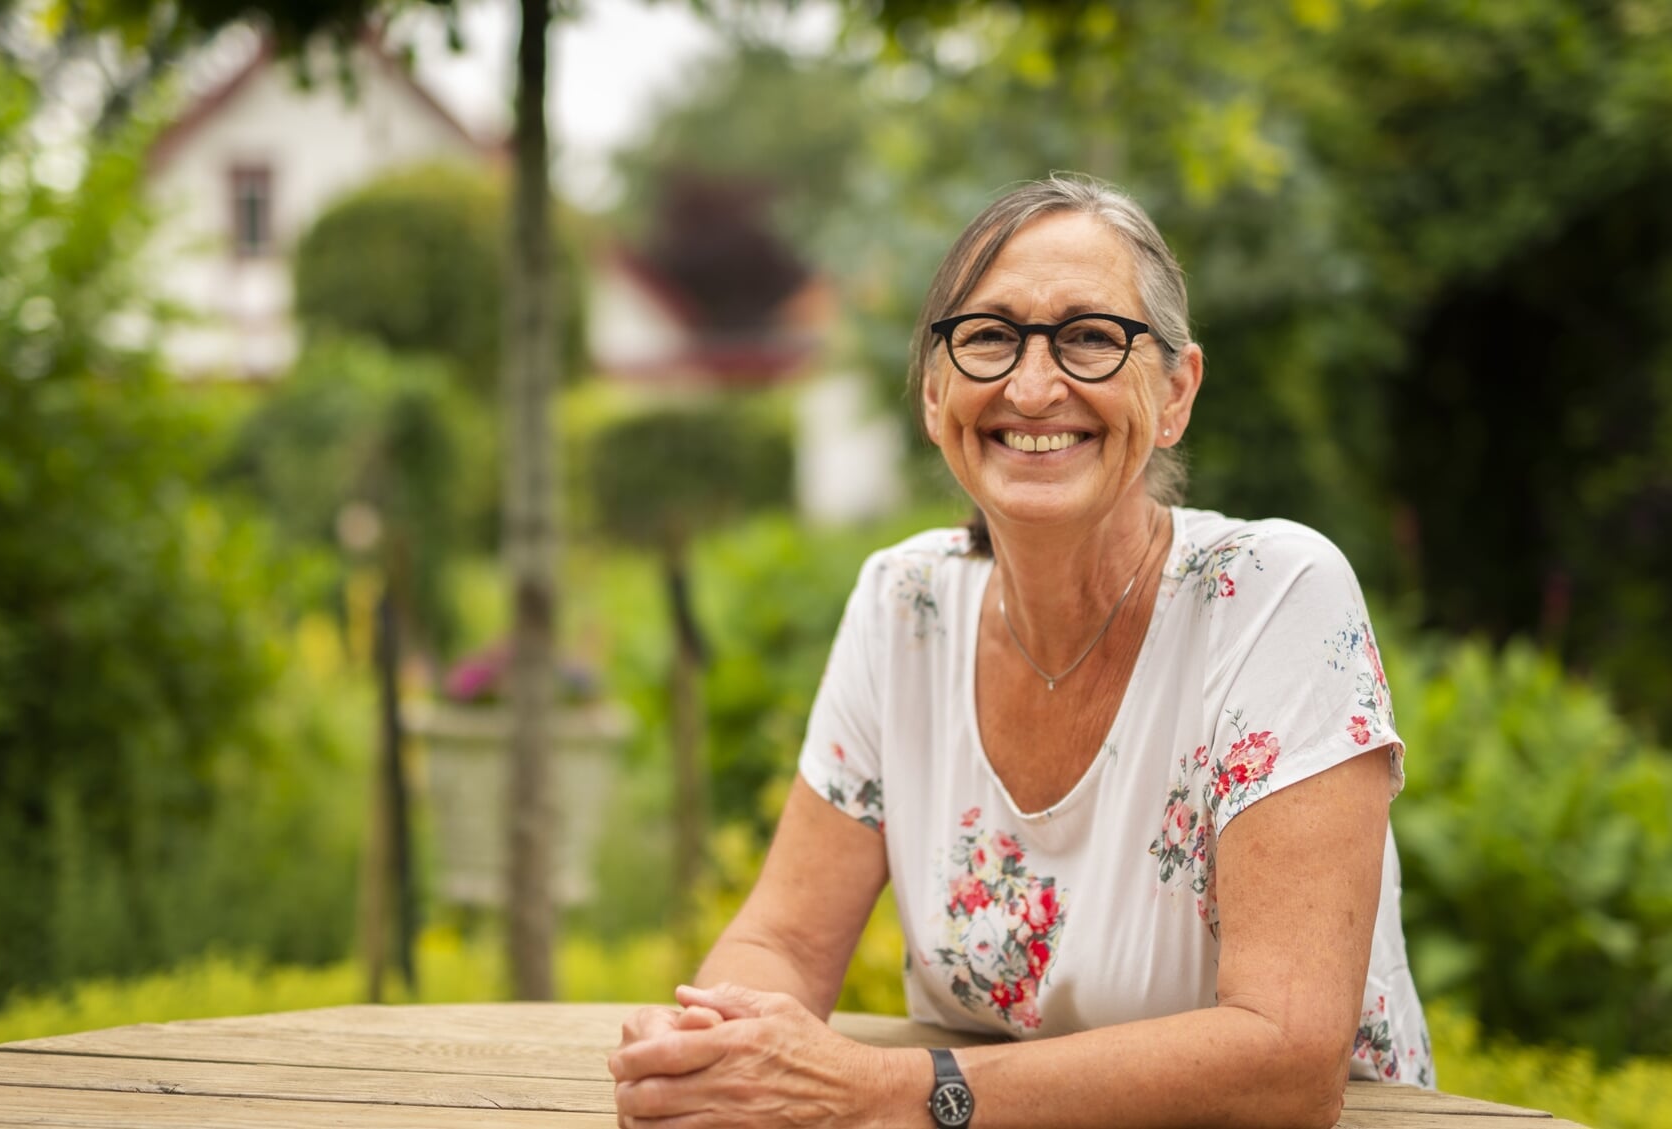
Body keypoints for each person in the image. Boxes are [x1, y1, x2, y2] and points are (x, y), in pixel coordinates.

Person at [609, 175, 1432, 1129]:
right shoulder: (902, 604)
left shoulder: (1273, 597)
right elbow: (786, 941)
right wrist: (720, 1051)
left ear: (1174, 392)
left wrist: (894, 1093)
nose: (1032, 386)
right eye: (989, 336)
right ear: (932, 393)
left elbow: (1285, 1060)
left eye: (1089, 336)